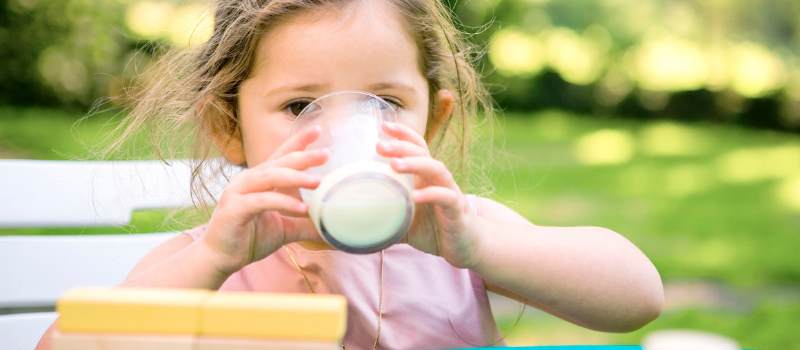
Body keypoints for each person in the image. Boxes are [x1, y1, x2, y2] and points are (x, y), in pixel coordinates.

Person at [37, 0, 664, 348]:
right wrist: (210, 264)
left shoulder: (457, 237)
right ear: (229, 127)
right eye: (297, 107)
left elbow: (639, 297)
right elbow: (67, 346)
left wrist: (480, 245)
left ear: (431, 121)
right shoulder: (210, 262)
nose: (339, 133)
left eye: (384, 104)